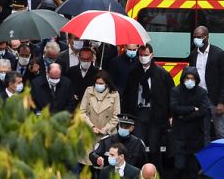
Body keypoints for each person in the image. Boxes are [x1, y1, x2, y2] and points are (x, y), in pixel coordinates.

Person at [122, 44, 174, 173]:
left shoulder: (162, 74)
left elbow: (170, 95)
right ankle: (137, 173)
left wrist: (170, 114)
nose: (143, 58)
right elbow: (128, 95)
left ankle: (156, 173)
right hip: (138, 113)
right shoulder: (134, 73)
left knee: (154, 147)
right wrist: (126, 115)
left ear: (152, 55)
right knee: (137, 145)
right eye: (141, 55)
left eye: (146, 55)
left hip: (156, 115)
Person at [170, 66, 209, 179]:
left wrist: (185, 117)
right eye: (187, 78)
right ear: (183, 78)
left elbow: (203, 111)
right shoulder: (175, 91)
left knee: (193, 169)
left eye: (192, 78)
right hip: (179, 135)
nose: (190, 80)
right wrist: (192, 108)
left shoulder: (202, 92)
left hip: (195, 136)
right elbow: (174, 108)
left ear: (196, 79)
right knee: (179, 166)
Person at [188, 26, 224, 139]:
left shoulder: (218, 53)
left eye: (198, 37)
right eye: (194, 37)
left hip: (214, 99)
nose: (196, 39)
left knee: (220, 132)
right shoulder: (193, 54)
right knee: (203, 131)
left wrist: (221, 102)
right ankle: (206, 156)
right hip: (199, 99)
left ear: (206, 37)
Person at [80, 71, 120, 137]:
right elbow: (82, 112)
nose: (98, 85)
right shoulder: (89, 91)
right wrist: (92, 127)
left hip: (108, 134)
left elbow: (116, 116)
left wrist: (104, 130)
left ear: (107, 84)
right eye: (97, 83)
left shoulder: (114, 94)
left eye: (101, 83)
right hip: (89, 132)